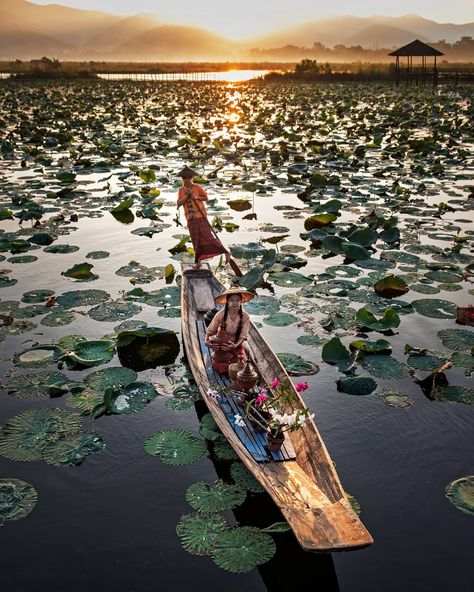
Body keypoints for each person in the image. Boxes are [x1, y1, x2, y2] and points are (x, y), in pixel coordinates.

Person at [177, 166, 230, 269]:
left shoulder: (196, 187)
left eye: (188, 177)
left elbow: (205, 197)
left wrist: (195, 197)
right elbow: (179, 203)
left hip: (201, 217)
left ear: (192, 178)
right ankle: (198, 262)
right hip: (190, 219)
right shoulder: (181, 190)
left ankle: (225, 252)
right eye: (184, 178)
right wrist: (186, 196)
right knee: (195, 240)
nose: (186, 180)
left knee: (208, 237)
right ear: (182, 179)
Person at [205, 286, 254, 373]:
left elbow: (243, 336)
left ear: (241, 301)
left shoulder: (245, 316)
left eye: (238, 300)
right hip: (222, 346)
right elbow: (209, 331)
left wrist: (235, 346)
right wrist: (206, 342)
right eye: (232, 300)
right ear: (227, 301)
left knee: (242, 365)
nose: (235, 303)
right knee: (221, 368)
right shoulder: (220, 314)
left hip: (236, 345)